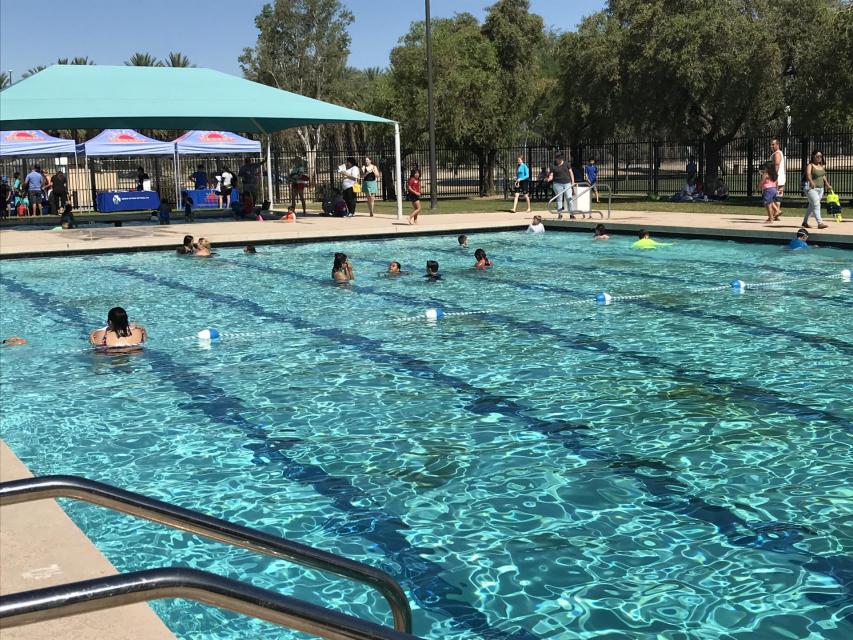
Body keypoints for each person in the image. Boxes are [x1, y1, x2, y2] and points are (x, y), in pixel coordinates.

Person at [802, 150, 832, 229]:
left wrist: (827, 185)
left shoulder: (821, 166)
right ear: (813, 156)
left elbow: (823, 176)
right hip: (811, 188)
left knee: (812, 206)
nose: (819, 158)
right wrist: (811, 181)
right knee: (816, 204)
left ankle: (805, 222)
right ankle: (820, 223)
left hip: (820, 189)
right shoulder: (810, 165)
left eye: (820, 156)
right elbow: (808, 174)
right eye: (817, 156)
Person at [547, 153, 574, 218]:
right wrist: (549, 178)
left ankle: (572, 214)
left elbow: (571, 172)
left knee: (569, 199)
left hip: (567, 183)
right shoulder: (553, 165)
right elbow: (551, 174)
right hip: (557, 184)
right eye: (557, 158)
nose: (558, 160)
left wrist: (573, 182)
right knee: (559, 199)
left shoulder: (566, 164)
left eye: (560, 158)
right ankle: (560, 214)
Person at [770, 137, 786, 216]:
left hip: (777, 178)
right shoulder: (780, 153)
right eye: (771, 145)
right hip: (781, 179)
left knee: (768, 195)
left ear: (777, 144)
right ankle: (776, 213)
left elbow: (776, 165)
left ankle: (776, 211)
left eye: (773, 144)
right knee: (778, 196)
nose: (771, 146)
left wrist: (774, 177)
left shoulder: (777, 154)